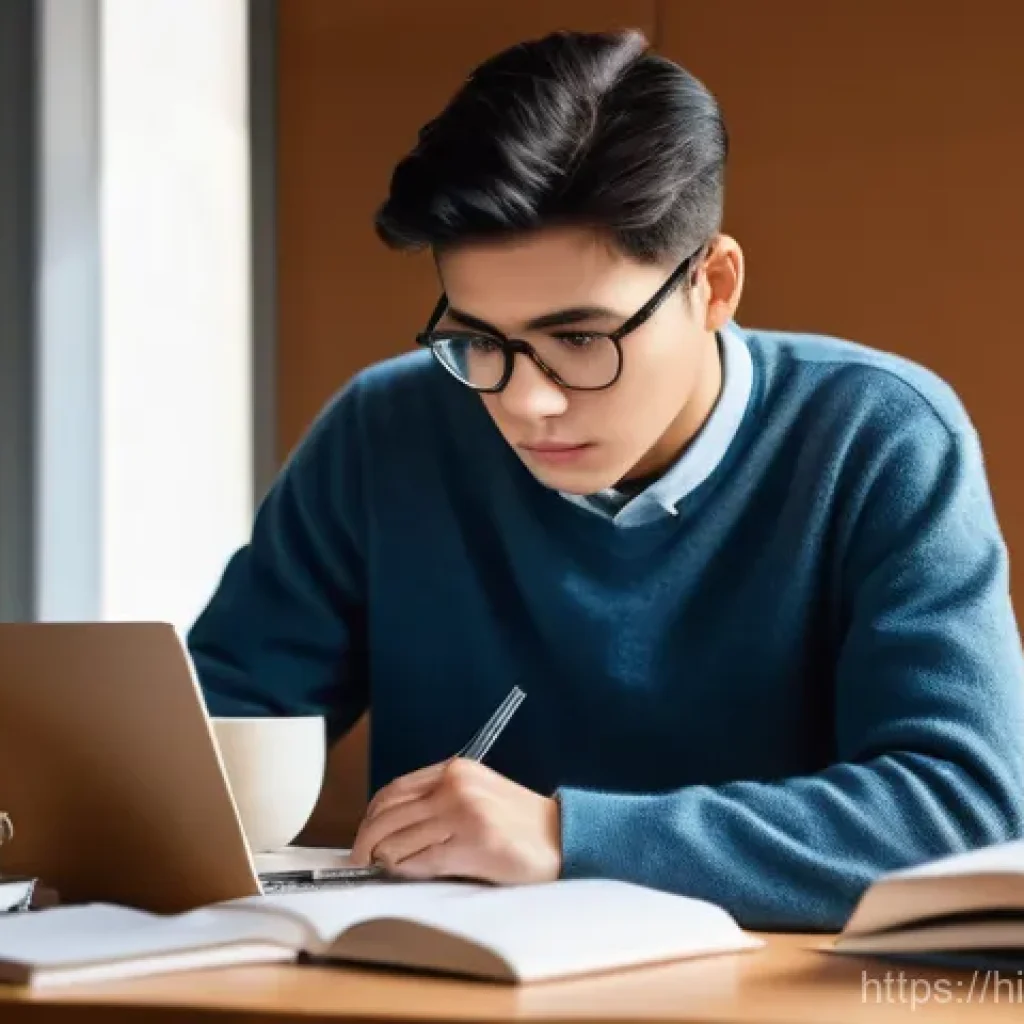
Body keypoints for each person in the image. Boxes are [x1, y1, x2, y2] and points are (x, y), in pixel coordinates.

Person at [188, 28, 1024, 930]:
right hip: (444, 990)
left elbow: (966, 811)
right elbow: (202, 735)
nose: (527, 402)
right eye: (478, 341)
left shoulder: (880, 437)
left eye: (581, 340)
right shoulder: (384, 429)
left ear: (714, 284)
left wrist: (567, 836)